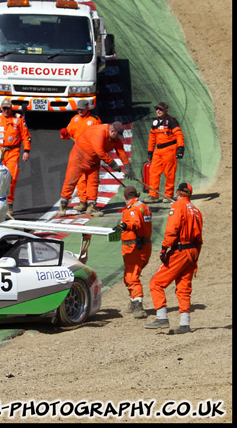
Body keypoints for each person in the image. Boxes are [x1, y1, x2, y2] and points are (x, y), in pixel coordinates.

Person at [145, 183, 203, 334]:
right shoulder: (196, 211)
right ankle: (185, 324)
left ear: (178, 192)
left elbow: (173, 228)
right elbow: (199, 240)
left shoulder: (178, 206)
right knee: (184, 289)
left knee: (156, 283)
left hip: (180, 251)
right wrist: (195, 260)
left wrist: (164, 248)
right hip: (192, 253)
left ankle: (162, 317)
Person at [57, 121, 135, 217]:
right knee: (71, 181)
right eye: (117, 135)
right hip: (78, 159)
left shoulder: (114, 139)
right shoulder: (99, 132)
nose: (118, 138)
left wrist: (128, 168)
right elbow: (100, 152)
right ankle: (63, 205)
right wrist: (113, 164)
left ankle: (91, 208)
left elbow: (121, 151)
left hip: (93, 162)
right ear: (112, 131)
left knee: (93, 183)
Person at [0, 100, 31, 218]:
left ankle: (9, 204)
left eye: (8, 108)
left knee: (11, 178)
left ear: (11, 108)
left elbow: (26, 136)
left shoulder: (18, 119)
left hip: (13, 151)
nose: (6, 111)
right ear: (1, 109)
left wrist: (27, 151)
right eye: (4, 108)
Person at [113, 185, 152, 318]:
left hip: (134, 247)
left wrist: (124, 225)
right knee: (130, 275)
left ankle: (138, 306)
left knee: (132, 276)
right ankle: (133, 301)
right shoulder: (143, 206)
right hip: (144, 246)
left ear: (125, 197)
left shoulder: (133, 209)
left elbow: (135, 223)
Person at [60, 99, 102, 212]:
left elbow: (100, 137)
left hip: (91, 154)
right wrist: (64, 133)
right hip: (77, 153)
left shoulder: (94, 120)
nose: (79, 111)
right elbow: (68, 133)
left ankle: (91, 203)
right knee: (79, 179)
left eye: (82, 109)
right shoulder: (75, 119)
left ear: (87, 108)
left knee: (92, 180)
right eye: (78, 109)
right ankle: (83, 201)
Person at [145, 102, 185, 203]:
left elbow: (179, 135)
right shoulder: (155, 123)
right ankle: (153, 195)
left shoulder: (171, 121)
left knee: (169, 173)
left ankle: (168, 195)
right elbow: (152, 138)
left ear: (166, 110)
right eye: (157, 109)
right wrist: (150, 152)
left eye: (161, 109)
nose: (158, 111)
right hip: (158, 150)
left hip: (170, 149)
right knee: (153, 172)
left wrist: (180, 148)